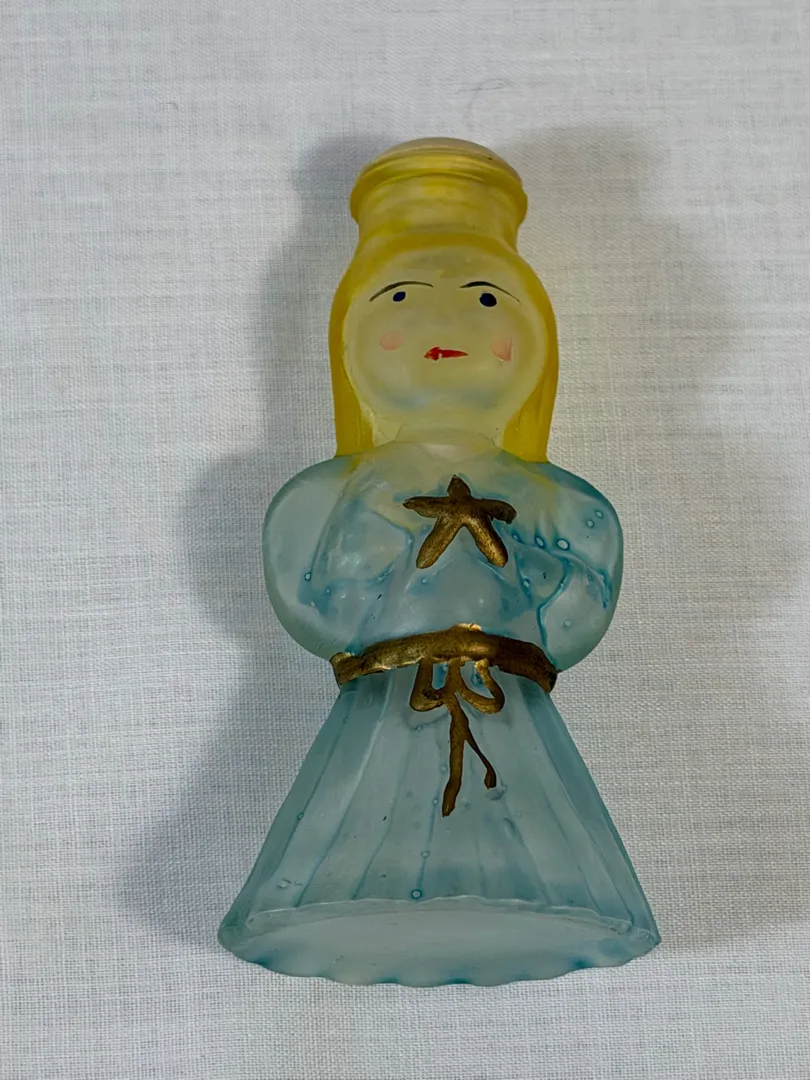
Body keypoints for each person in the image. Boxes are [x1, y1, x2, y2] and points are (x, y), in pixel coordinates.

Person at [219, 139, 659, 985]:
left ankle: (531, 892)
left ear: (534, 343)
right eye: (403, 299)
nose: (444, 326)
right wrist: (364, 543)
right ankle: (349, 894)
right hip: (390, 690)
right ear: (352, 344)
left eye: (485, 299)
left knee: (516, 795)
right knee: (370, 794)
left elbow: (578, 616)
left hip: (504, 694)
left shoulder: (560, 499)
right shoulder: (332, 492)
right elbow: (314, 606)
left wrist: (540, 577)